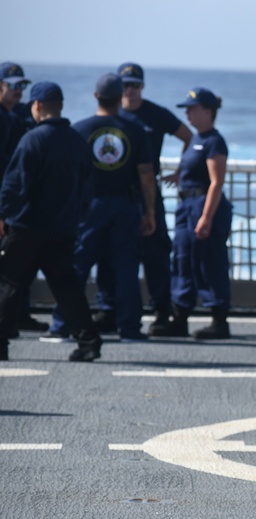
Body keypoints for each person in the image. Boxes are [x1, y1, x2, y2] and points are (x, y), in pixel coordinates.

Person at [44, 73, 156, 343]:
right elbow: (146, 175)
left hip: (88, 207)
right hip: (124, 205)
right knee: (127, 269)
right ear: (120, 97)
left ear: (96, 96)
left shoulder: (79, 130)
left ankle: (61, 325)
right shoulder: (135, 131)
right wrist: (149, 211)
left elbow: (69, 173)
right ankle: (129, 328)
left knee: (76, 267)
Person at [0, 82, 102, 362]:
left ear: (36, 106)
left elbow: (15, 184)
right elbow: (87, 189)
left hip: (27, 228)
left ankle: (1, 344)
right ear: (60, 106)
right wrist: (75, 220)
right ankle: (89, 342)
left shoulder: (33, 139)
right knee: (67, 288)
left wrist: (3, 215)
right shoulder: (77, 141)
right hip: (63, 229)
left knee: (9, 284)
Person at [92, 62, 193, 333]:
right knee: (109, 252)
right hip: (120, 195)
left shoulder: (156, 114)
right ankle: (108, 309)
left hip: (148, 194)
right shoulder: (113, 114)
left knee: (155, 253)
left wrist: (181, 170)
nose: (130, 90)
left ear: (142, 86)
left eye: (135, 85)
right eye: (125, 85)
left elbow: (189, 137)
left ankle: (161, 311)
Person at [150, 87, 232, 340]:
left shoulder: (214, 141)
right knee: (183, 260)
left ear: (208, 111)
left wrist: (206, 217)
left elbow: (216, 182)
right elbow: (194, 171)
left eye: (192, 108)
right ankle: (180, 317)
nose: (187, 113)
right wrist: (179, 177)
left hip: (203, 206)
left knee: (208, 262)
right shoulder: (196, 139)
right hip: (186, 206)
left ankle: (219, 321)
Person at [0, 62, 47, 335]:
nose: (19, 91)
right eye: (13, 85)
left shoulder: (14, 116)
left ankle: (17, 315)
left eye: (22, 86)